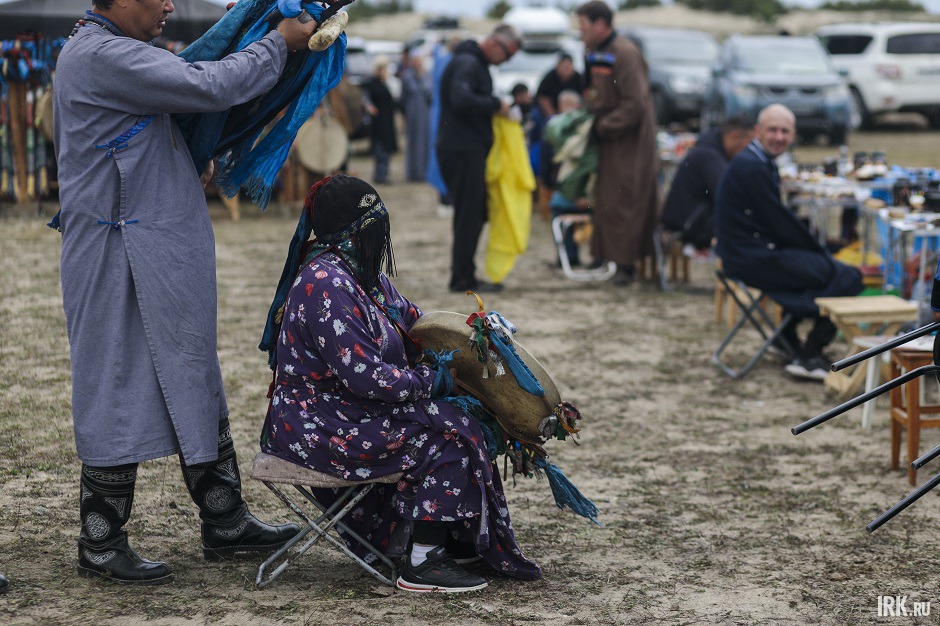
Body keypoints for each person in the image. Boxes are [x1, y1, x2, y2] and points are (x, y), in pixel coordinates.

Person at [53, 0, 311, 584]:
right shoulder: (100, 55)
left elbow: (148, 130)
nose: (169, 4)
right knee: (116, 377)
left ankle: (225, 519)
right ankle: (101, 540)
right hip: (119, 251)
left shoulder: (111, 52)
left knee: (192, 369)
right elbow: (212, 82)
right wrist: (278, 41)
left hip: (151, 245)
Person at [259, 175, 542, 592]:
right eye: (375, 226)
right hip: (316, 423)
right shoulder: (325, 283)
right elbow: (366, 377)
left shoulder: (364, 275)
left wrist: (474, 336)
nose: (382, 235)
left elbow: (415, 325)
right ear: (355, 232)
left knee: (469, 418)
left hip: (352, 409)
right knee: (446, 434)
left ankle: (451, 533)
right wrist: (433, 379)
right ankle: (423, 562)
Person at [714, 104, 863, 381]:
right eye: (772, 130)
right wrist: (820, 251)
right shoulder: (751, 167)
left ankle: (787, 339)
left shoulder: (755, 160)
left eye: (784, 131)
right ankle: (810, 354)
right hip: (750, 258)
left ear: (793, 134)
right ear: (757, 132)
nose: (778, 137)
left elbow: (775, 221)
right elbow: (778, 220)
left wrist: (817, 249)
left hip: (746, 253)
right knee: (847, 276)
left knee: (826, 270)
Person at [576, 1, 659, 285]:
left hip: (629, 139)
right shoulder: (595, 51)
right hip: (608, 135)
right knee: (605, 196)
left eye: (583, 25)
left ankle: (625, 265)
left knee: (624, 197)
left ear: (601, 24)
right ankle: (603, 256)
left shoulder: (624, 52)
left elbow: (636, 103)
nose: (580, 31)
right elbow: (596, 91)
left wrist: (604, 126)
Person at [436, 24, 522, 293]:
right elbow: (461, 99)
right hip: (462, 150)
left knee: (474, 212)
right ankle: (462, 278)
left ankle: (464, 273)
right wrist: (496, 104)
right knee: (468, 215)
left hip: (464, 149)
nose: (505, 61)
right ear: (496, 44)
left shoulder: (471, 62)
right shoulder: (468, 63)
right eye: (507, 55)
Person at [660, 115, 753, 251]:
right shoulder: (709, 156)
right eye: (747, 143)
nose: (746, 149)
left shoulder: (709, 148)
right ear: (735, 136)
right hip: (688, 223)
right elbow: (728, 194)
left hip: (687, 218)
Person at [363, 56, 398, 185]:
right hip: (379, 123)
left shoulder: (384, 83)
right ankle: (380, 175)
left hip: (386, 121)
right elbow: (366, 99)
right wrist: (369, 107)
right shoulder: (372, 83)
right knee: (380, 150)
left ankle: (382, 174)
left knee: (384, 149)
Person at [400, 53, 432, 183]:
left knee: (425, 143)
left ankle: (424, 172)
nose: (417, 63)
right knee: (413, 143)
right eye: (415, 61)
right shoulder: (407, 77)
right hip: (412, 114)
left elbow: (431, 94)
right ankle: (413, 172)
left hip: (425, 114)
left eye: (419, 61)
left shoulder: (427, 76)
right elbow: (403, 98)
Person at [535, 53, 582, 119]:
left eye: (568, 66)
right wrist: (552, 115)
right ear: (558, 66)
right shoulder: (550, 77)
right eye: (564, 66)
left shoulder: (578, 78)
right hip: (551, 111)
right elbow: (542, 97)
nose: (566, 69)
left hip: (573, 112)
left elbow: (584, 97)